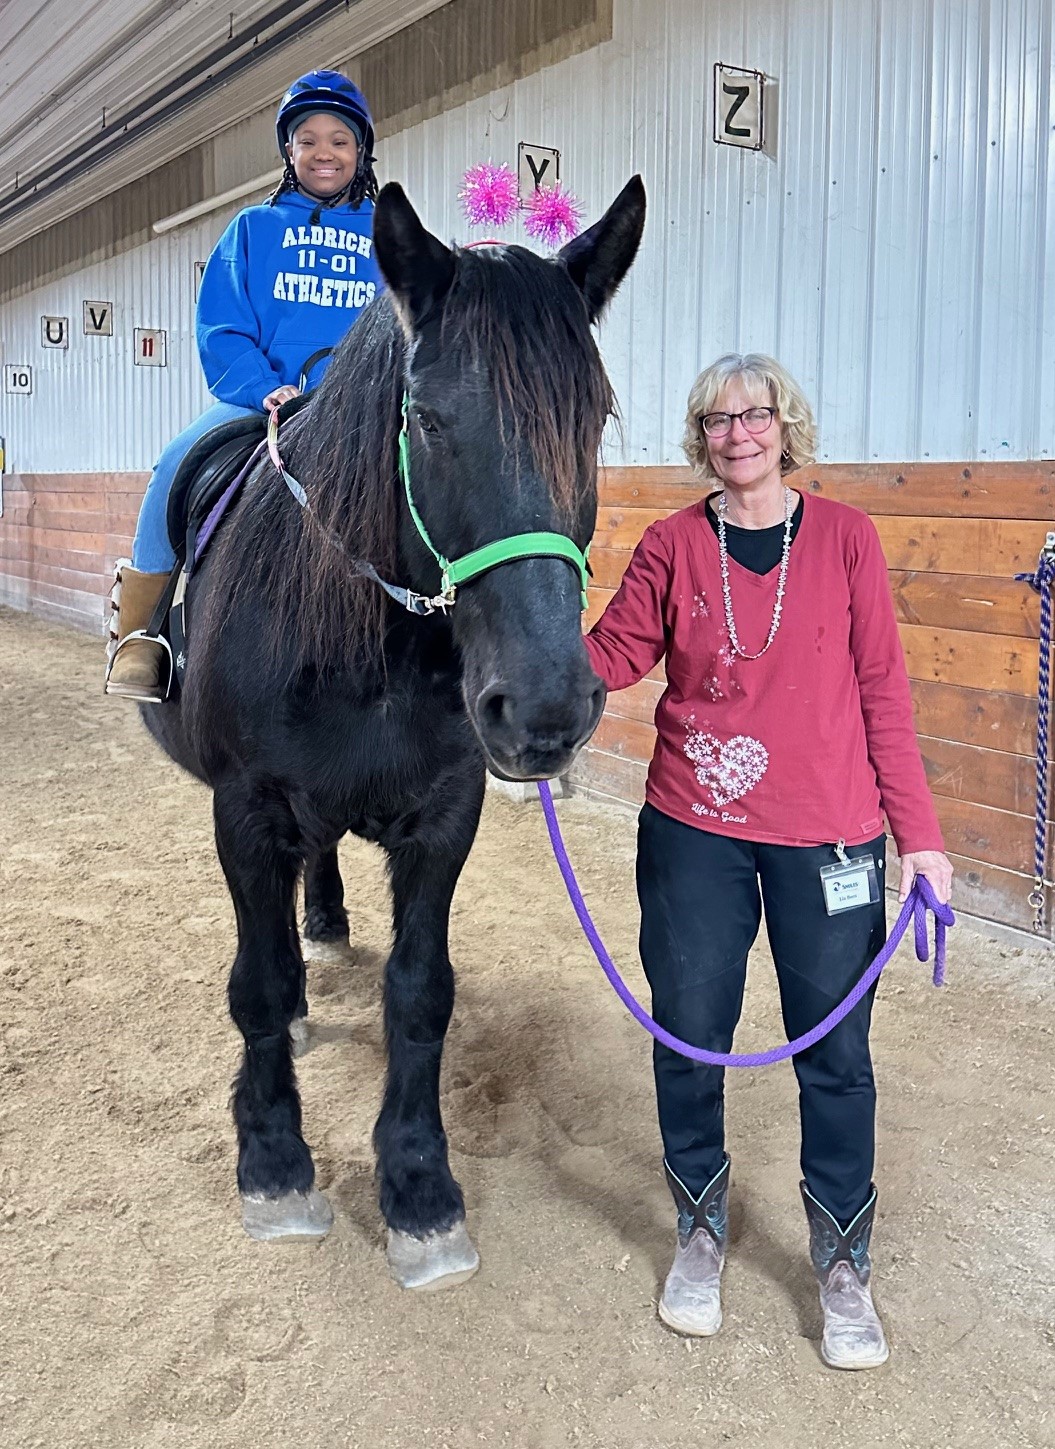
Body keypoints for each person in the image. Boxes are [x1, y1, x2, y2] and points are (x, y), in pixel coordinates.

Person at [583, 353, 954, 1370]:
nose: (736, 433)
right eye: (715, 418)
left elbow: (882, 686)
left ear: (785, 427)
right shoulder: (668, 545)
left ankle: (841, 1265)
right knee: (690, 1035)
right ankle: (698, 1232)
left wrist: (917, 837)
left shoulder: (844, 540)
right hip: (691, 829)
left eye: (754, 414)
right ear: (698, 437)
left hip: (828, 832)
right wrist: (517, 661)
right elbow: (609, 655)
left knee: (833, 1056)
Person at [106, 69, 383, 700]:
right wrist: (265, 387)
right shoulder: (253, 231)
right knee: (175, 463)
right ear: (289, 150)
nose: (324, 152)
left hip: (361, 408)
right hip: (261, 402)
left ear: (360, 150)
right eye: (307, 139)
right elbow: (223, 328)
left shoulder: (384, 233)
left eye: (339, 139)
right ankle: (139, 633)